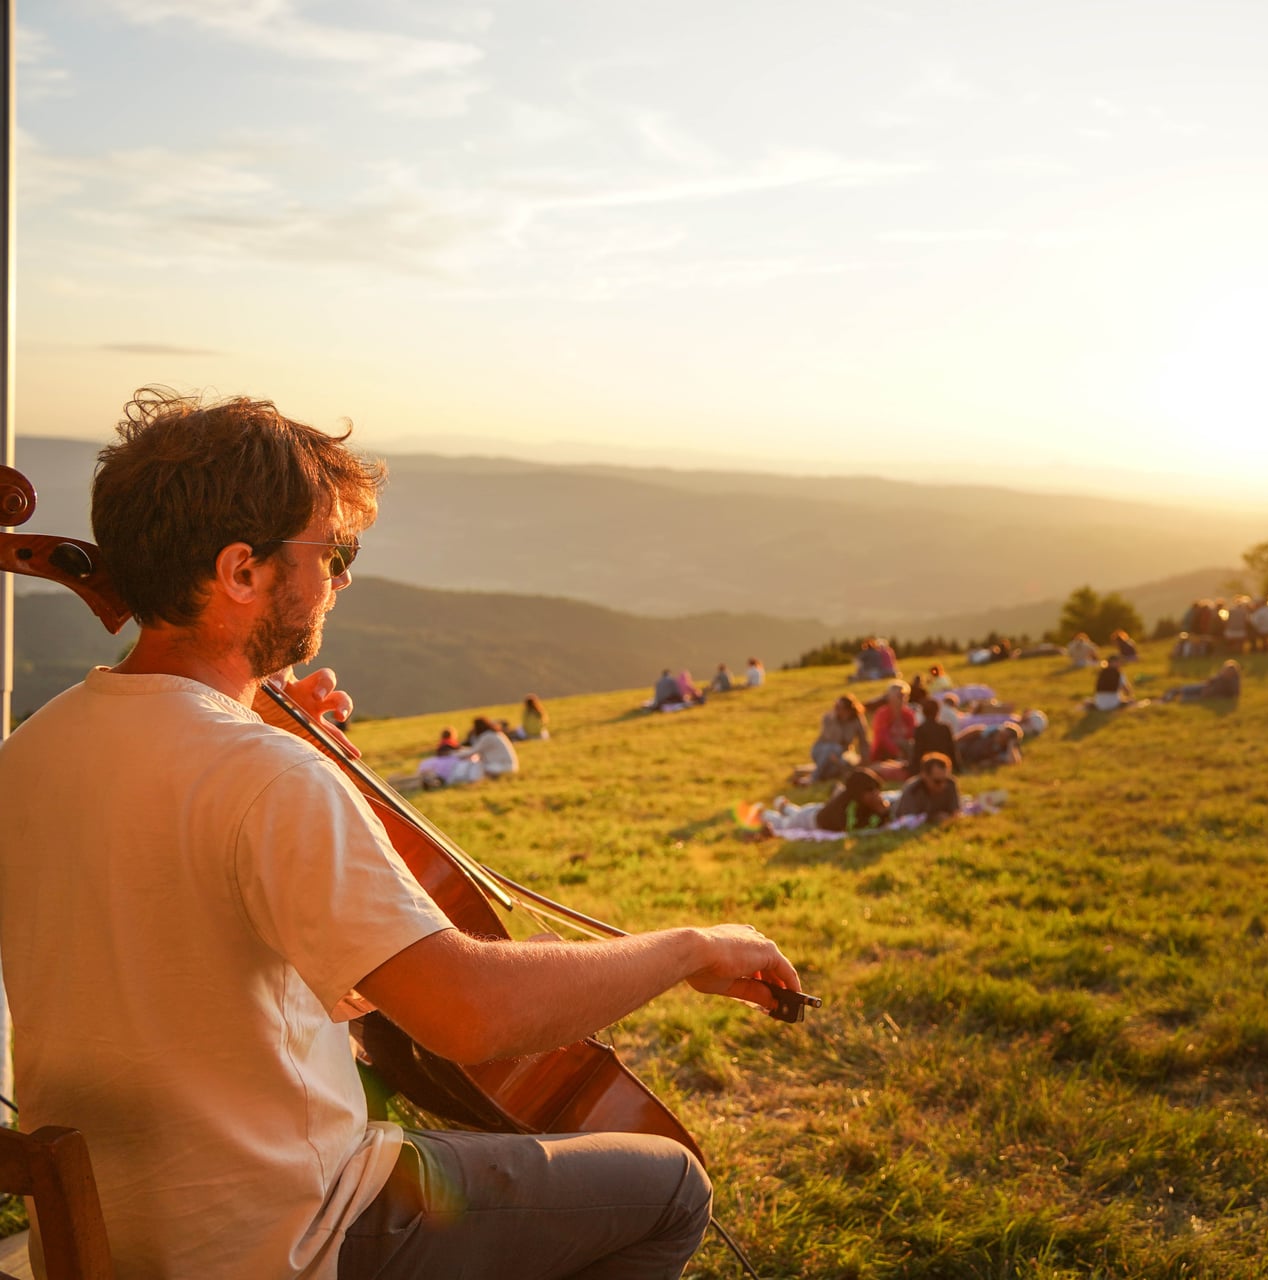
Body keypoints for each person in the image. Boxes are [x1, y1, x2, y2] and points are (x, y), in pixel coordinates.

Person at [0, 388, 800, 1280]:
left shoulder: (31, 750)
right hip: (285, 1234)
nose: (340, 580)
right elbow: (467, 1014)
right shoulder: (266, 777)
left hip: (108, 1234)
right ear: (241, 572)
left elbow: (173, 931)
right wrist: (689, 949)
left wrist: (260, 733)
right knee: (669, 1190)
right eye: (330, 552)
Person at [810, 695, 872, 782]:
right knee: (835, 748)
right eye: (835, 706)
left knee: (847, 764)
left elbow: (863, 740)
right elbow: (830, 738)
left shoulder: (856, 719)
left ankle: (823, 775)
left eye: (839, 707)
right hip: (822, 750)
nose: (836, 709)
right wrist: (836, 721)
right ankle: (813, 778)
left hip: (842, 753)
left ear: (847, 710)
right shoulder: (829, 718)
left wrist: (865, 758)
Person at [893, 753, 960, 825]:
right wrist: (933, 818)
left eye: (945, 779)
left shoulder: (950, 784)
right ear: (924, 775)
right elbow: (909, 819)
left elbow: (955, 811)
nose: (943, 785)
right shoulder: (912, 790)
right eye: (937, 781)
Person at [816, 767, 889, 833]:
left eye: (877, 789)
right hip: (811, 818)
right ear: (858, 793)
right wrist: (881, 813)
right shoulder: (848, 807)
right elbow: (856, 829)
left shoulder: (868, 801)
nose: (876, 794)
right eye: (870, 790)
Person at [868, 682, 917, 765]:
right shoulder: (882, 714)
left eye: (904, 695)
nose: (902, 698)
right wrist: (896, 752)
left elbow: (913, 733)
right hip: (884, 752)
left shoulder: (908, 714)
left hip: (904, 748)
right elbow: (882, 737)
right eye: (899, 695)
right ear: (890, 697)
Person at [905, 695, 957, 774]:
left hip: (927, 764)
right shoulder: (945, 728)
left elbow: (917, 752)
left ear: (923, 712)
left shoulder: (920, 729)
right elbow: (952, 750)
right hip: (944, 763)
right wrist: (958, 767)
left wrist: (912, 768)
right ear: (937, 711)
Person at [954, 721, 1023, 772]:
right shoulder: (988, 733)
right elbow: (974, 732)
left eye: (1004, 737)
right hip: (962, 748)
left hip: (967, 760)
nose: (999, 737)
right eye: (1000, 734)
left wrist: (1011, 745)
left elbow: (1012, 762)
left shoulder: (1003, 751)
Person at [1166, 658, 1241, 702]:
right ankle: (1170, 695)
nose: (1224, 672)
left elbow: (1232, 695)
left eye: (1227, 671)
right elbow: (1210, 680)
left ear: (1233, 674)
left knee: (1185, 698)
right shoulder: (1220, 676)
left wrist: (1210, 694)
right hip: (1205, 687)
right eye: (1224, 670)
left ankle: (1171, 698)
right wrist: (1207, 686)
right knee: (1186, 689)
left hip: (1209, 695)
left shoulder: (1232, 684)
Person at [417, 741, 484, 789]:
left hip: (440, 777)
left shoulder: (453, 757)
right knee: (428, 777)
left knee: (427, 778)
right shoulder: (453, 758)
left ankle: (432, 783)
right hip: (437, 776)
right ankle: (432, 782)